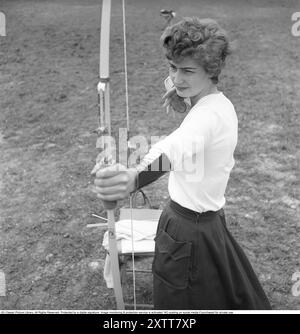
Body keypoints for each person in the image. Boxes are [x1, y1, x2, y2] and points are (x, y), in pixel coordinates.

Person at [92, 17, 271, 310]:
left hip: (190, 230)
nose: (177, 78)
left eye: (187, 71)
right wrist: (183, 95)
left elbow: (172, 148)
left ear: (212, 71)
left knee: (182, 303)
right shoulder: (215, 103)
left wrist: (133, 177)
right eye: (173, 68)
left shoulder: (208, 116)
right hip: (203, 223)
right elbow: (187, 107)